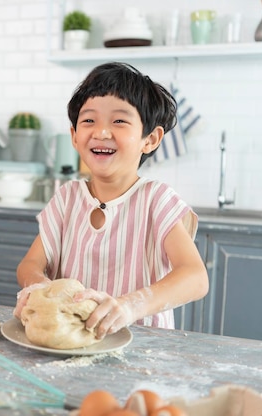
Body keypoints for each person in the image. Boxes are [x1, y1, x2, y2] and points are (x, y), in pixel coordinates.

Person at [14, 62, 208, 340]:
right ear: (74, 136)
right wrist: (39, 287)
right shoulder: (66, 199)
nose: (101, 132)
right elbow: (29, 265)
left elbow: (196, 278)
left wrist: (129, 306)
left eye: (119, 121)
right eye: (89, 121)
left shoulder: (156, 200)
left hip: (143, 352)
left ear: (150, 139)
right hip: (72, 346)